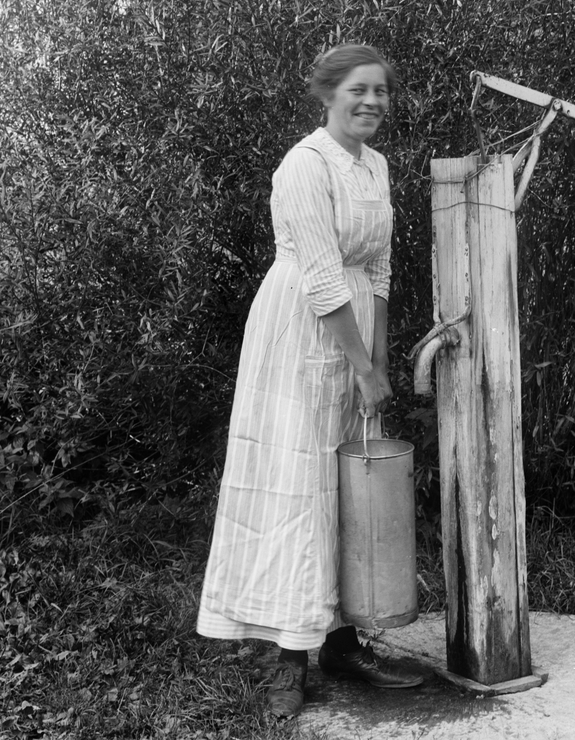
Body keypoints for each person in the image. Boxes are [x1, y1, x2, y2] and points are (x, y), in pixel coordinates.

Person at [197, 43, 423, 719]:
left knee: (350, 485)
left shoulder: (376, 166)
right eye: (359, 90)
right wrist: (359, 363)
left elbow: (376, 273)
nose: (372, 102)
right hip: (301, 331)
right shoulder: (303, 165)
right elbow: (323, 278)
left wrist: (376, 365)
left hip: (354, 335)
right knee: (301, 489)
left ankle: (343, 642)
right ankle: (287, 665)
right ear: (327, 94)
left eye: (381, 91)